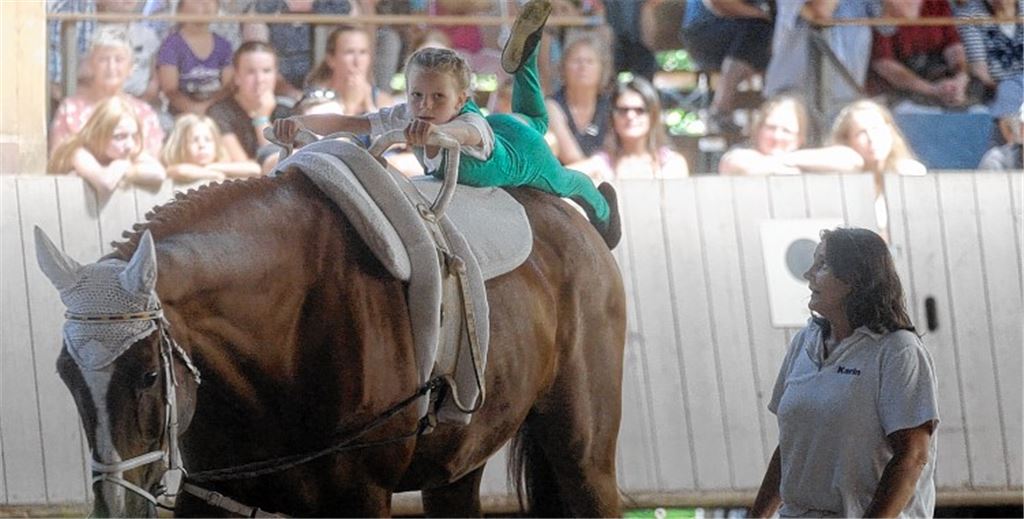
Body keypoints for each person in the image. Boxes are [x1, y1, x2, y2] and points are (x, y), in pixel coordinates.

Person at [273, 0, 622, 249]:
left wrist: (437, 133)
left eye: (437, 98)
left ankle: (603, 206)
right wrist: (295, 120)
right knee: (535, 118)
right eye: (417, 96)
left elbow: (464, 133)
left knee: (561, 178)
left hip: (520, 151)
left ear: (459, 99)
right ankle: (524, 59)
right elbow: (349, 121)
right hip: (507, 126)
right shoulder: (413, 115)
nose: (424, 106)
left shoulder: (469, 122)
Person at [750, 226, 939, 518]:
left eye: (822, 264)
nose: (808, 274)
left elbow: (912, 456)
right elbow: (789, 449)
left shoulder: (896, 350)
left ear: (855, 278)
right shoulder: (805, 342)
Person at [50, 26, 166, 158]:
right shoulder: (70, 109)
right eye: (103, 59)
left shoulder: (144, 114)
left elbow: (152, 163)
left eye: (119, 60)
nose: (111, 67)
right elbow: (58, 159)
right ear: (90, 65)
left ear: (131, 68)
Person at [677, 0, 774, 135]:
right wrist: (763, 16)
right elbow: (718, 3)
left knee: (774, 38)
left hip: (742, 36)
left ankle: (771, 116)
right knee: (760, 29)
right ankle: (720, 109)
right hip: (704, 33)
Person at [570, 76, 689, 181]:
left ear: (652, 116)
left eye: (640, 110)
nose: (630, 116)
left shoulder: (670, 164)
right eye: (623, 110)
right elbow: (561, 179)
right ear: (612, 117)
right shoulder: (601, 165)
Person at [48, 95, 166, 198]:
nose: (129, 145)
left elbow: (159, 173)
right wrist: (122, 164)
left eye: (133, 136)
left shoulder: (126, 151)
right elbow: (105, 183)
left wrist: (129, 172)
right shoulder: (77, 152)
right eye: (120, 137)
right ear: (98, 134)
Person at [869, 0, 976, 111]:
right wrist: (932, 90)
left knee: (975, 108)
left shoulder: (937, 3)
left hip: (938, 78)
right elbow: (884, 64)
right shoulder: (881, 8)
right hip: (898, 89)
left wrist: (960, 77)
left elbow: (952, 44)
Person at [241, 0, 358, 100]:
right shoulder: (261, 8)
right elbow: (257, 63)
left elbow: (353, 58)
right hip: (277, 96)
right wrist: (294, 95)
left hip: (332, 93)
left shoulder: (343, 6)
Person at [207, 41, 292, 162]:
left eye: (266, 71)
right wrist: (261, 119)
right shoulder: (219, 113)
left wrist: (262, 118)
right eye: (251, 72)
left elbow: (285, 164)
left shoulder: (287, 111)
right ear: (237, 76)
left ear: (276, 75)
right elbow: (241, 163)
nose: (259, 80)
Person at [544, 35, 614, 165]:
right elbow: (572, 158)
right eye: (576, 61)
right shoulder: (552, 106)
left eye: (590, 61)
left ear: (602, 68)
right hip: (566, 179)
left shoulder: (611, 106)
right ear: (563, 68)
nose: (583, 67)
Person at [156, 0, 235, 115]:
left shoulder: (224, 45)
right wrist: (194, 109)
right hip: (182, 112)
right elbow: (170, 90)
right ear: (181, 9)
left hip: (218, 111)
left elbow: (228, 86)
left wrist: (208, 107)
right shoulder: (171, 45)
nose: (206, 4)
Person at [305, 25, 394, 116]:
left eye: (363, 52)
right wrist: (350, 106)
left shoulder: (382, 102)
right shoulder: (315, 100)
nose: (357, 61)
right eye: (349, 52)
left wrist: (369, 105)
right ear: (331, 59)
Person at [718, 95, 810, 175]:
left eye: (786, 131)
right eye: (771, 128)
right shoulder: (739, 157)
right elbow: (731, 163)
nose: (777, 136)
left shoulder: (809, 164)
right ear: (758, 130)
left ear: (800, 139)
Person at [161, 114, 262, 182]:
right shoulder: (175, 169)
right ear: (181, 146)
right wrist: (210, 174)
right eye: (194, 140)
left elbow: (255, 169)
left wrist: (213, 167)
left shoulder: (220, 168)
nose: (202, 145)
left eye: (208, 140)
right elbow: (180, 170)